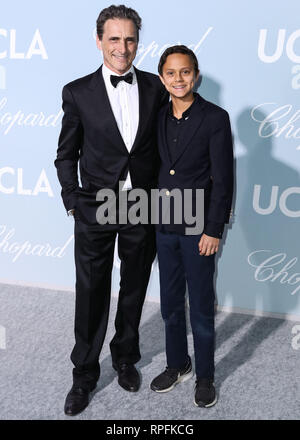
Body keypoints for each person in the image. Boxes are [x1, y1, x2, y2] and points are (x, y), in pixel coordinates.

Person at [55, 5, 168, 416]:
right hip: (96, 205)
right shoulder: (78, 91)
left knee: (135, 285)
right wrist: (73, 201)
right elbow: (66, 155)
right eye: (115, 39)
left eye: (130, 39)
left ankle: (125, 357)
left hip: (142, 202)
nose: (123, 48)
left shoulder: (157, 88)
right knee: (91, 291)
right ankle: (84, 374)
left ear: (138, 41)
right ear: (99, 39)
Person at [150, 45, 233, 407]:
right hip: (163, 225)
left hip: (198, 228)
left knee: (199, 305)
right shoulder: (157, 116)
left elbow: (224, 180)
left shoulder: (215, 118)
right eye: (171, 73)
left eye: (185, 72)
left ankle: (205, 375)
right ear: (162, 77)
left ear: (195, 75)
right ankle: (177, 364)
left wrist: (213, 229)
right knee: (169, 303)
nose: (178, 79)